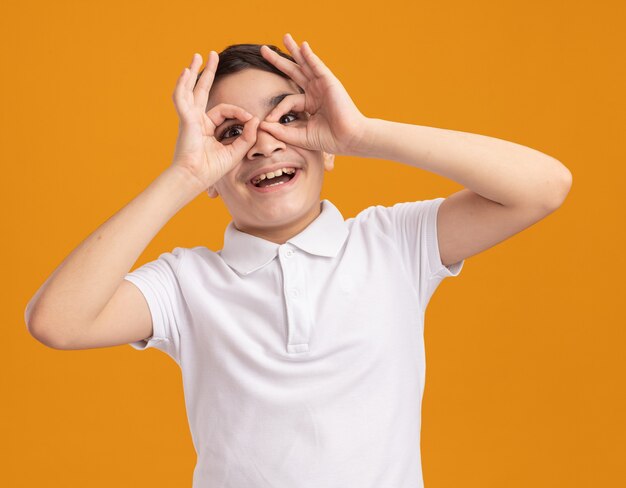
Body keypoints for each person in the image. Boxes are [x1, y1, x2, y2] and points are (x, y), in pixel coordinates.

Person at [24, 33, 572, 487]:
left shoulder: (393, 242)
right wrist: (185, 177)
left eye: (286, 118)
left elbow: (544, 187)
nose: (263, 144)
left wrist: (362, 134)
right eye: (231, 133)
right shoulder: (187, 283)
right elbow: (57, 322)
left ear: (325, 142)